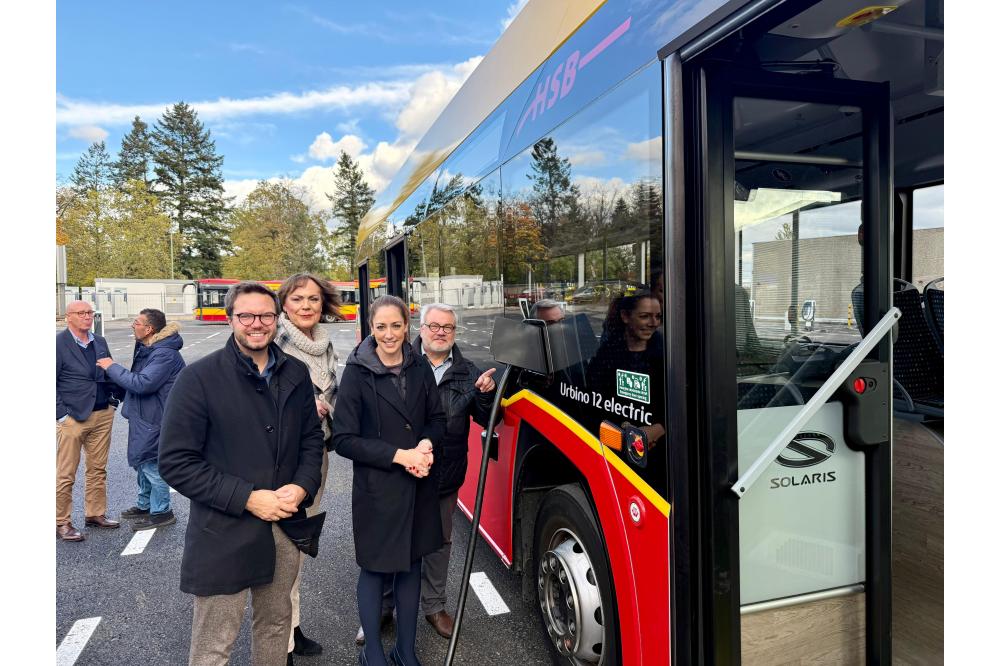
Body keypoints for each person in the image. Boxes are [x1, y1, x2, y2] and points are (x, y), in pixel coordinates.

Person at [159, 282, 325, 666]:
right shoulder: (198, 379)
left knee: (276, 627)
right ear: (230, 318)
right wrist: (248, 498)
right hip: (223, 530)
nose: (257, 324)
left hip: (285, 525)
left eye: (266, 315)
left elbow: (311, 440)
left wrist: (303, 486)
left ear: (277, 319)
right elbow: (176, 462)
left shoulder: (296, 373)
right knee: (214, 644)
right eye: (246, 315)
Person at [355, 303, 497, 644]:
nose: (440, 332)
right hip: (397, 472)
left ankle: (434, 606)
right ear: (420, 327)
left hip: (444, 473)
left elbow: (487, 418)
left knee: (439, 542)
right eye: (434, 325)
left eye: (447, 327)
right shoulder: (398, 360)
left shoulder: (467, 371)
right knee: (390, 539)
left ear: (455, 332)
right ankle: (382, 608)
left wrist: (487, 395)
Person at [331, 295, 447, 666]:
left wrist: (426, 444)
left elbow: (437, 419)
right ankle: (374, 655)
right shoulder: (357, 372)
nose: (389, 334)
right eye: (381, 326)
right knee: (375, 570)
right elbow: (343, 439)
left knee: (411, 568)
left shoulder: (419, 366)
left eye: (396, 325)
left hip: (418, 485)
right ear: (370, 328)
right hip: (378, 490)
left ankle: (405, 651)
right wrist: (401, 456)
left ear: (407, 326)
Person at [274, 273, 342, 661]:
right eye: (297, 299)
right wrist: (300, 406)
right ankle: (279, 643)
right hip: (281, 459)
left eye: (313, 299)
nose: (306, 306)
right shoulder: (273, 341)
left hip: (317, 455)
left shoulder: (324, 344)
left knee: (298, 547)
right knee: (281, 551)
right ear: (284, 304)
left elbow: (335, 395)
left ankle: (292, 627)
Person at [97, 309, 185, 531]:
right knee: (141, 462)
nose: (132, 325)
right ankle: (145, 505)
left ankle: (162, 512)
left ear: (149, 329)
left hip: (155, 417)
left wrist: (111, 367)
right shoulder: (149, 348)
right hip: (144, 415)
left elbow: (142, 383)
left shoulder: (164, 354)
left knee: (151, 464)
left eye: (136, 322)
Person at [56, 300, 124, 541]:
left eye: (89, 312)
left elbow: (109, 371)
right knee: (66, 473)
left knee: (97, 469)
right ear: (68, 317)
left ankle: (95, 513)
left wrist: (114, 401)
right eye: (81, 313)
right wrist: (61, 415)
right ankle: (61, 522)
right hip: (73, 418)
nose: (87, 316)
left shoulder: (100, 341)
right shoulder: (58, 344)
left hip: (102, 414)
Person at [586, 291, 666, 488]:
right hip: (615, 452)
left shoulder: (667, 354)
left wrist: (659, 429)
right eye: (644, 316)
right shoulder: (607, 353)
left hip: (662, 457)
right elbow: (592, 398)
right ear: (625, 316)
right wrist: (620, 427)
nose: (653, 323)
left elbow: (684, 401)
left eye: (658, 317)